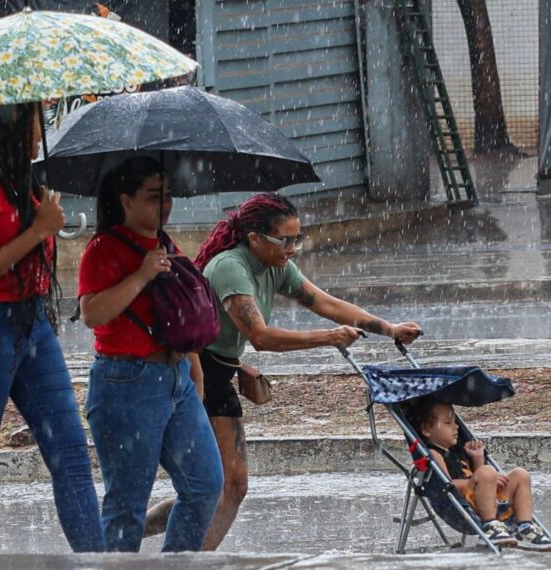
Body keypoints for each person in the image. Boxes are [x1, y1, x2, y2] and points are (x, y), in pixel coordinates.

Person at [144, 192, 422, 549]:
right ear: (255, 238)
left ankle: (164, 543)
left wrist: (389, 328)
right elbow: (260, 336)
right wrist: (329, 338)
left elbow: (324, 301)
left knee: (225, 486)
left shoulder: (276, 266)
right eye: (285, 240)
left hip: (220, 373)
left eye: (297, 239)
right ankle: (179, 552)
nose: (292, 248)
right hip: (195, 375)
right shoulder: (232, 267)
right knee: (220, 486)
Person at [0, 103, 104, 551]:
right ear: (11, 124)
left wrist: (41, 224)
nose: (42, 130)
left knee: (72, 454)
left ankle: (99, 563)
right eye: (36, 119)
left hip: (32, 323)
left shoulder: (21, 180)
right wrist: (36, 232)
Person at [77, 156, 223, 552]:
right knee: (126, 509)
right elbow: (92, 314)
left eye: (169, 195)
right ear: (125, 200)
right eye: (154, 196)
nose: (165, 205)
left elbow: (177, 321)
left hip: (177, 380)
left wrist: (194, 370)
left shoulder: (164, 243)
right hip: (127, 384)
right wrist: (141, 275)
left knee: (207, 485)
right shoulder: (103, 248)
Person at [406, 396, 551, 551]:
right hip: (466, 507)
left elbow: (479, 476)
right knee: (487, 472)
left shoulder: (458, 451)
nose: (456, 427)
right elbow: (447, 484)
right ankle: (489, 525)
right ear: (427, 429)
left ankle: (525, 527)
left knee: (520, 475)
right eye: (448, 423)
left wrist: (478, 459)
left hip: (490, 501)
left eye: (455, 422)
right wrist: (484, 477)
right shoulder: (434, 454)